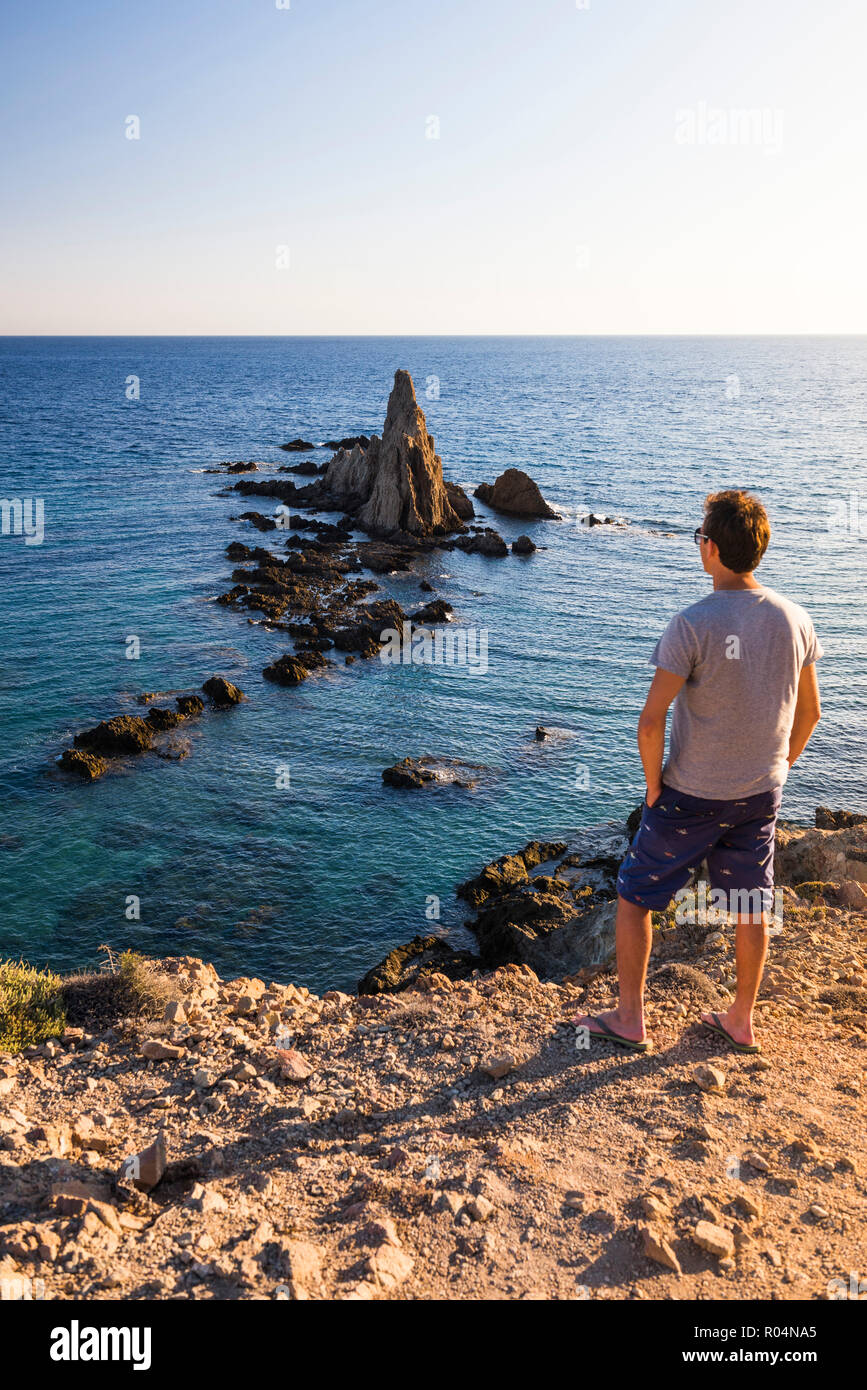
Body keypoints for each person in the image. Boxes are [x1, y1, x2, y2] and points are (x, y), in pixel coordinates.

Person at [575, 489, 822, 1055]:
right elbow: (810, 714)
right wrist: (780, 766)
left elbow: (650, 720)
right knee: (750, 903)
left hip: (690, 793)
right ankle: (739, 1020)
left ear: (709, 548)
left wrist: (655, 785)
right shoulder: (796, 620)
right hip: (761, 791)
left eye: (699, 538)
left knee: (635, 897)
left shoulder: (691, 625)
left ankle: (631, 1018)